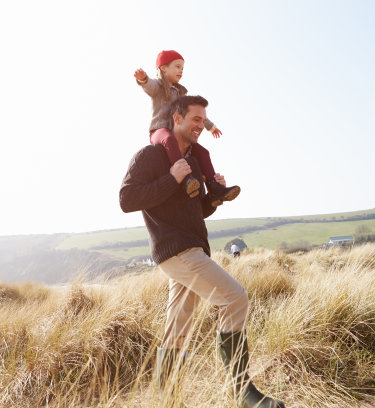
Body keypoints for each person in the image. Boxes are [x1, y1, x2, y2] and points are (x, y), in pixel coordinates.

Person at [119, 95, 285, 408]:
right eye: (196, 119)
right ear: (176, 119)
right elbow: (127, 199)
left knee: (177, 327)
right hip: (176, 250)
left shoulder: (194, 162)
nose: (200, 125)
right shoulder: (150, 156)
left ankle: (166, 396)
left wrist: (213, 199)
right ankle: (243, 392)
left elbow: (194, 211)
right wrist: (172, 178)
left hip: (193, 247)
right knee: (235, 298)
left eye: (203, 119)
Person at [134, 50, 240, 207]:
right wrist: (143, 79)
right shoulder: (158, 87)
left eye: (182, 68)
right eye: (177, 67)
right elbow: (149, 86)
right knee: (169, 139)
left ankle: (213, 186)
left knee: (203, 152)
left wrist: (210, 127)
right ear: (163, 68)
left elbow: (194, 113)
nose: (181, 71)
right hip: (159, 131)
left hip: (177, 134)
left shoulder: (181, 94)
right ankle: (186, 178)